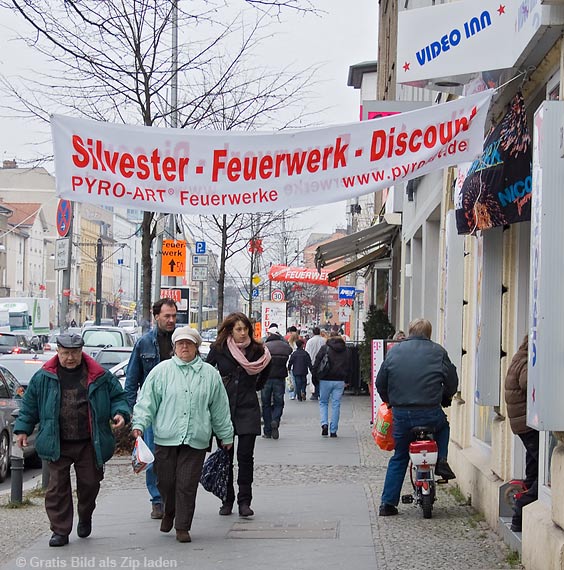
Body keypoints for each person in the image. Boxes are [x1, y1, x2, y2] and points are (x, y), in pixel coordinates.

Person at [14, 333, 129, 547]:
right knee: (57, 488)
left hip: (89, 441)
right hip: (57, 440)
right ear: (57, 351)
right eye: (65, 353)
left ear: (81, 352)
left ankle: (85, 516)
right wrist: (22, 430)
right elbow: (29, 406)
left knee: (90, 484)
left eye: (74, 353)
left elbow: (118, 397)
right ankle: (60, 530)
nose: (69, 358)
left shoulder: (99, 375)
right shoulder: (44, 377)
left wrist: (120, 412)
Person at [131, 327, 234, 543]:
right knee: (165, 482)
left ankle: (182, 526)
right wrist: (139, 424)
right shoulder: (162, 372)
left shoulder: (209, 374)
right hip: (166, 437)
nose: (184, 347)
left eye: (189, 343)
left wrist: (226, 436)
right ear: (174, 347)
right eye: (180, 344)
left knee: (186, 484)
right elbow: (147, 401)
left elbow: (220, 409)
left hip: (196, 438)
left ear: (196, 347)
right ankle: (169, 511)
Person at [376, 318, 458, 516]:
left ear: (410, 332)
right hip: (430, 410)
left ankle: (387, 504)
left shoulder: (394, 351)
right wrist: (446, 396)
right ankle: (441, 460)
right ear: (429, 333)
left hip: (402, 413)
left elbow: (380, 382)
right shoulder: (438, 351)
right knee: (443, 427)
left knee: (400, 455)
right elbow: (452, 380)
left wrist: (389, 401)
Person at [206, 312, 271, 517]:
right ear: (230, 330)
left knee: (245, 456)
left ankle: (245, 501)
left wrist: (251, 387)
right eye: (238, 329)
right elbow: (207, 372)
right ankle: (227, 499)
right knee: (226, 456)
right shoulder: (218, 349)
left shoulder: (258, 350)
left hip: (248, 408)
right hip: (224, 409)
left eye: (245, 329)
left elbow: (264, 376)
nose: (243, 333)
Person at [125, 298, 177, 520]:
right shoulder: (144, 343)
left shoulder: (182, 341)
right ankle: (157, 500)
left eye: (174, 316)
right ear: (156, 316)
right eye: (167, 316)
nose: (171, 320)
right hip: (152, 410)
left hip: (177, 407)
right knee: (153, 456)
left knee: (174, 457)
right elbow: (132, 379)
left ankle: (172, 498)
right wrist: (130, 413)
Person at [504, 335, 538, 533]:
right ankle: (521, 509)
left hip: (524, 424)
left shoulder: (519, 356)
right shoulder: (526, 361)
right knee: (544, 470)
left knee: (534, 469)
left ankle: (523, 514)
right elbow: (528, 384)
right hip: (528, 423)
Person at [313, 331, 351, 438]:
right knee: (336, 404)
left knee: (323, 402)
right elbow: (349, 367)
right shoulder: (346, 350)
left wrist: (315, 377)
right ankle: (333, 430)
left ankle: (324, 424)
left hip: (325, 379)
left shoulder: (325, 348)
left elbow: (317, 363)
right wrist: (347, 380)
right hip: (339, 380)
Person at [261, 323, 292, 439]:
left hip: (266, 379)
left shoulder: (265, 346)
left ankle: (267, 430)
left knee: (266, 404)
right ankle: (275, 420)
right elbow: (289, 350)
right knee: (279, 403)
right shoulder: (285, 346)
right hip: (279, 378)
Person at [305, 326, 326, 400]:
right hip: (323, 362)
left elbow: (307, 352)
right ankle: (322, 392)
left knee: (313, 378)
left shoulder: (310, 341)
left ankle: (314, 393)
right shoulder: (324, 340)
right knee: (322, 377)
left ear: (313, 333)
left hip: (312, 361)